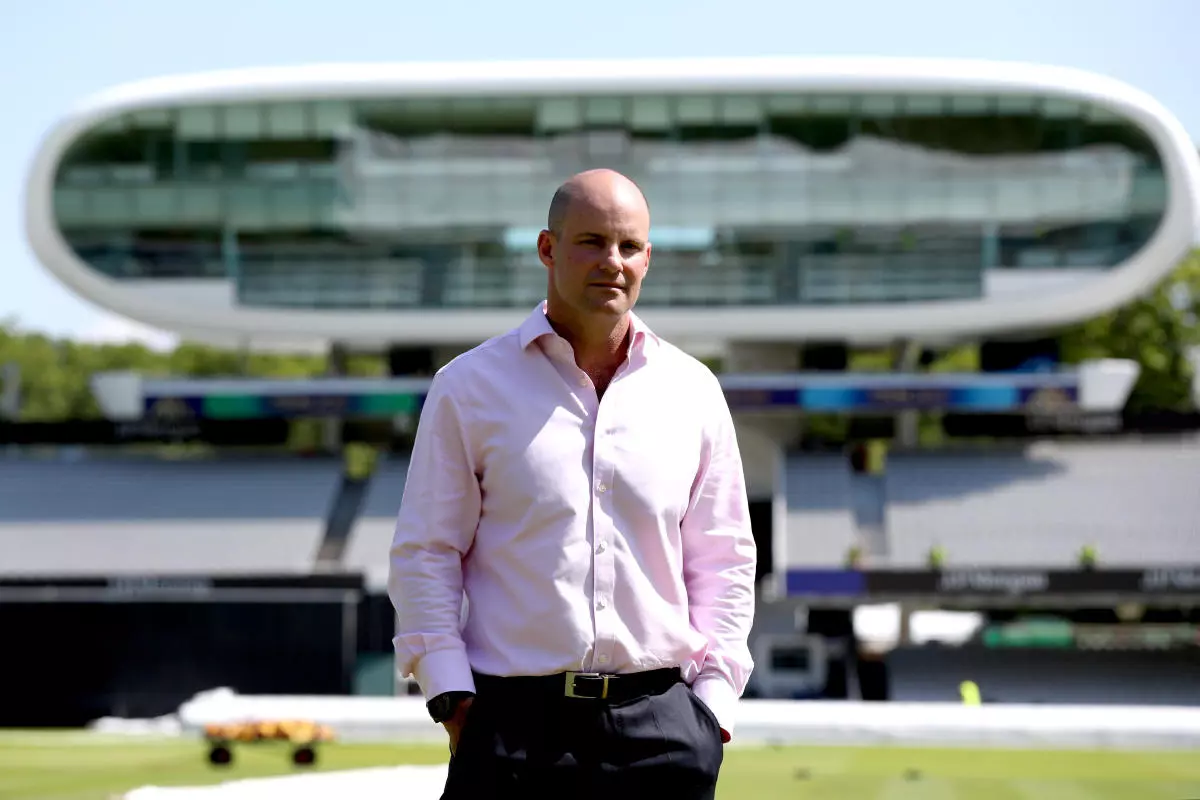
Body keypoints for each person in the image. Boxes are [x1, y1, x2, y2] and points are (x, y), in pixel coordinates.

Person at [388, 168, 757, 800]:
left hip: (662, 729)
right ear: (547, 249)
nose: (612, 261)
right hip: (512, 729)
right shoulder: (468, 387)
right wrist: (451, 695)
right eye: (591, 241)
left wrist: (712, 706)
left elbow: (724, 559)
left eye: (629, 245)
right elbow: (427, 550)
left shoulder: (693, 391)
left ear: (648, 258)